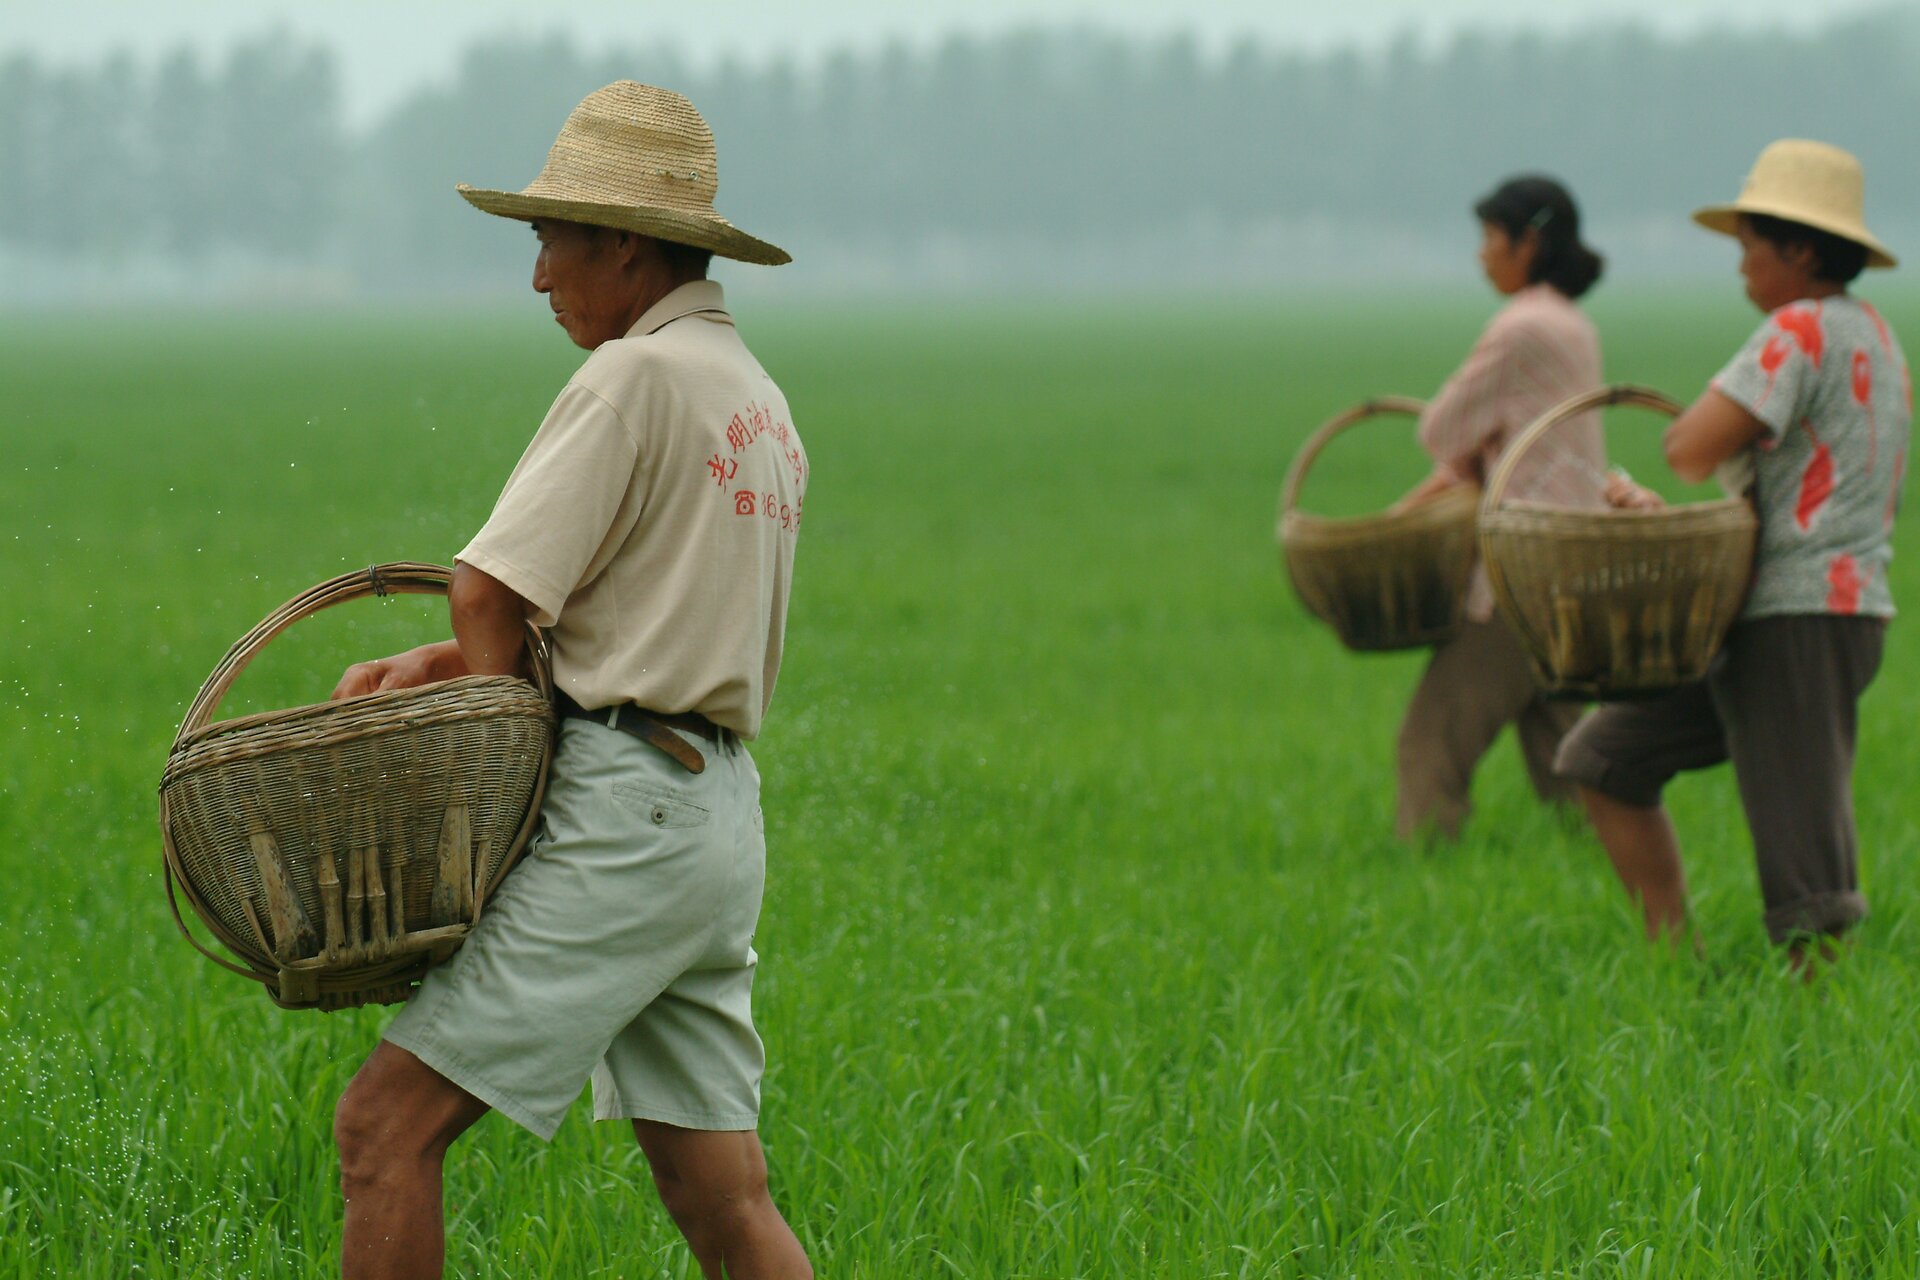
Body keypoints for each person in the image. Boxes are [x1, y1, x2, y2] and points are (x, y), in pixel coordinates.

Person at [325, 82, 813, 1279]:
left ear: (626, 243)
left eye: (551, 239)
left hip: (624, 812)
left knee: (382, 1129)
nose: (540, 275)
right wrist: (465, 660)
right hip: (714, 816)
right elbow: (644, 619)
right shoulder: (752, 394)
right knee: (723, 1196)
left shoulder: (631, 380)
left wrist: (489, 749)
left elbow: (487, 591)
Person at [1557, 139, 1910, 971]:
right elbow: (1776, 486)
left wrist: (1683, 454)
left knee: (1800, 840)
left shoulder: (1797, 330)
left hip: (1798, 617)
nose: (1742, 264)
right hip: (1791, 612)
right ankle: (1678, 964)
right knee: (1604, 759)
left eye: (1752, 244)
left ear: (1802, 248)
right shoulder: (1875, 335)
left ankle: (1819, 1028)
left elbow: (1688, 444)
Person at [1393, 175, 1608, 841]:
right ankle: (1608, 874)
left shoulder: (1521, 327)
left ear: (1530, 243)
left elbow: (1441, 429)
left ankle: (1424, 871)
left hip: (1521, 565)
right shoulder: (1570, 322)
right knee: (1567, 755)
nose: (1483, 253)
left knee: (1431, 741)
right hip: (1572, 559)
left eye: (1492, 237)